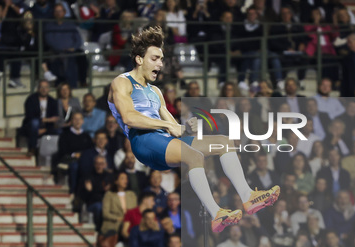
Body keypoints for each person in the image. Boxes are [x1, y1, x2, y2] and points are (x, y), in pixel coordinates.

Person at [108, 26, 279, 233]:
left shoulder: (155, 91)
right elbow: (129, 117)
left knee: (224, 142)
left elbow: (173, 126)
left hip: (163, 141)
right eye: (155, 59)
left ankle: (248, 196)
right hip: (143, 142)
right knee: (194, 156)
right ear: (139, 59)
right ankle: (217, 214)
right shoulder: (122, 82)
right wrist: (168, 125)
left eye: (161, 59)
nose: (160, 64)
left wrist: (186, 128)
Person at [21, 80, 60, 156]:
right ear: (38, 89)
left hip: (47, 127)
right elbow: (30, 116)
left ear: (48, 89)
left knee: (60, 131)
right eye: (42, 87)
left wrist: (45, 128)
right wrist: (44, 120)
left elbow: (55, 118)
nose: (44, 89)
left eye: (46, 87)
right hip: (31, 125)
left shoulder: (53, 101)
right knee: (35, 123)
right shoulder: (31, 100)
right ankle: (32, 148)